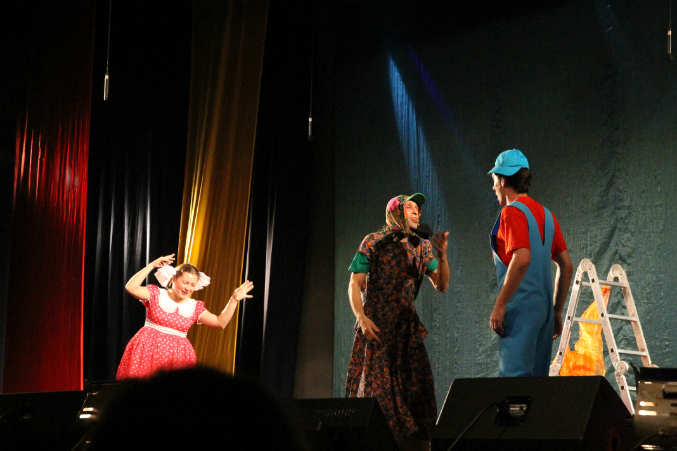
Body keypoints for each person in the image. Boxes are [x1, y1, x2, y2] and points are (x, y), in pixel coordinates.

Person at [346, 193, 450, 451]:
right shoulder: (373, 241)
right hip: (377, 329)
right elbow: (355, 284)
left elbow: (441, 285)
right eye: (410, 207)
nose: (417, 212)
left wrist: (442, 256)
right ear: (395, 212)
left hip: (407, 331)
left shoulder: (421, 245)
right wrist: (361, 318)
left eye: (418, 209)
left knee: (417, 396)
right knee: (380, 398)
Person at [487, 149, 573, 377]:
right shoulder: (547, 215)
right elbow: (566, 266)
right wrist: (556, 311)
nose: (493, 187)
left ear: (503, 180)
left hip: (520, 312)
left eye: (494, 180)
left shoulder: (510, 213)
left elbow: (522, 258)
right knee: (537, 386)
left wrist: (500, 305)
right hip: (544, 313)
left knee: (514, 386)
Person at [116, 254, 253, 380]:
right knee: (142, 391)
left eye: (192, 285)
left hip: (178, 357)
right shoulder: (156, 294)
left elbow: (220, 322)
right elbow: (131, 288)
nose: (188, 288)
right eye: (185, 282)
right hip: (147, 350)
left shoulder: (193, 307)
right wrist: (152, 265)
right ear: (174, 279)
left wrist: (234, 300)